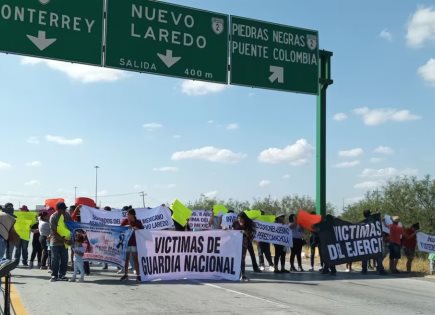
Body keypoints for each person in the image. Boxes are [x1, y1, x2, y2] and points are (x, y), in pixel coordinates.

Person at [49, 201, 72, 282]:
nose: (64, 211)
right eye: (63, 209)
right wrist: (64, 240)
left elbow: (71, 225)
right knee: (55, 259)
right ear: (58, 209)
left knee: (64, 259)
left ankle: (62, 275)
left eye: (65, 209)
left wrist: (70, 239)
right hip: (55, 242)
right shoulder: (53, 217)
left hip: (65, 242)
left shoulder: (67, 215)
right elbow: (54, 232)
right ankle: (54, 275)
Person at [120, 208, 143, 282]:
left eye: (128, 214)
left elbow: (143, 230)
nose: (127, 216)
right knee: (126, 260)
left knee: (135, 259)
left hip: (134, 243)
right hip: (126, 243)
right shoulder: (125, 221)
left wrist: (136, 228)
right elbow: (120, 228)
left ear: (133, 215)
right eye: (127, 214)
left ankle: (138, 275)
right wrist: (126, 227)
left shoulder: (138, 222)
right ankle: (126, 274)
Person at [232, 212, 256, 281]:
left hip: (244, 243)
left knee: (242, 258)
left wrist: (244, 232)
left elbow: (251, 235)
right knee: (236, 258)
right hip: (235, 243)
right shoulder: (235, 223)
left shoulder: (249, 224)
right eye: (238, 219)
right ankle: (235, 273)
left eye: (241, 219)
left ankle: (243, 275)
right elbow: (232, 231)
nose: (240, 220)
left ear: (244, 219)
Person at [361, 210, 387, 275]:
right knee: (377, 255)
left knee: (365, 256)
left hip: (366, 242)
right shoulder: (374, 220)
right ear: (370, 214)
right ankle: (380, 269)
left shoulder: (362, 223)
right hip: (374, 241)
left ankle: (364, 269)